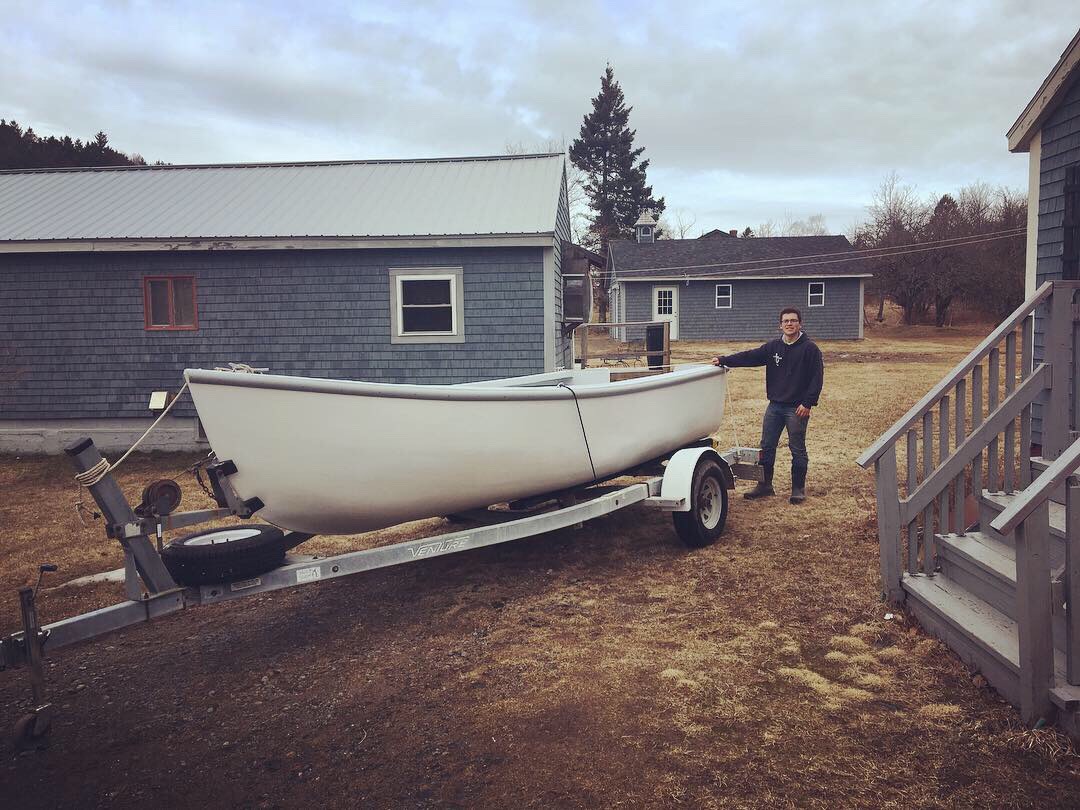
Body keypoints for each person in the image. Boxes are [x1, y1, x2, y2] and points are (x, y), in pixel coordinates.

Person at [711, 307, 824, 504]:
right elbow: (750, 356)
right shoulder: (773, 348)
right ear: (780, 325)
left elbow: (817, 378)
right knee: (767, 446)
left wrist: (808, 403)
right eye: (786, 321)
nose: (789, 324)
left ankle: (798, 489)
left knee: (797, 448)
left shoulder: (810, 349)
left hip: (796, 408)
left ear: (800, 324)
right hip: (775, 407)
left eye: (793, 321)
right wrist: (724, 360)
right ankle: (765, 485)